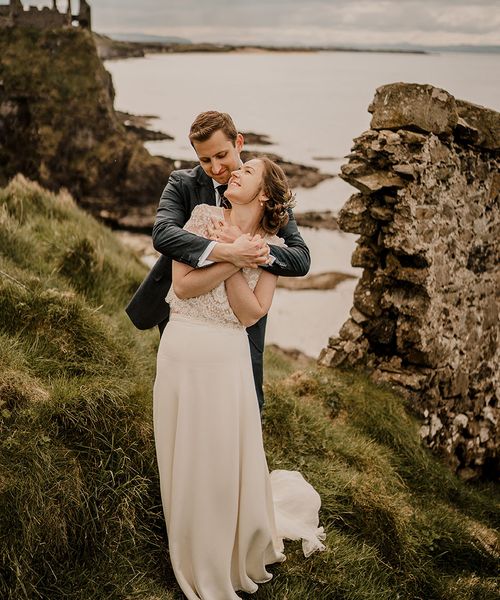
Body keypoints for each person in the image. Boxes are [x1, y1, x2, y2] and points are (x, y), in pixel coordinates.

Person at [154, 155, 325, 600]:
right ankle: (188, 542)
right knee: (185, 455)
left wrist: (246, 251)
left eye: (247, 171)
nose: (235, 171)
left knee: (219, 458)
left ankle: (223, 551)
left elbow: (251, 314)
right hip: (181, 348)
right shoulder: (202, 216)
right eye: (239, 167)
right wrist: (234, 254)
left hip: (228, 360)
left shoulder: (272, 246)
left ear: (265, 193)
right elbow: (185, 286)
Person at [126, 111, 310, 409]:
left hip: (239, 323)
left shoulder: (268, 191)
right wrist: (228, 251)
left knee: (246, 403)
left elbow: (300, 258)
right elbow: (163, 235)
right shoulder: (182, 184)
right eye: (205, 160)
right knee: (185, 400)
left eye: (221, 155)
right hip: (185, 315)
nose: (216, 167)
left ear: (238, 142)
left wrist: (253, 250)